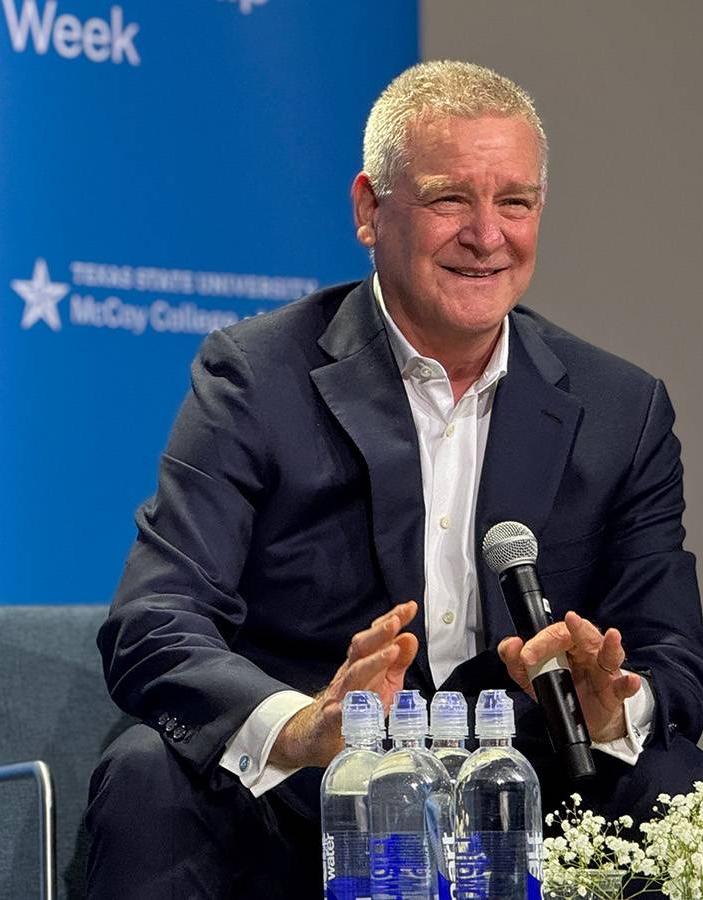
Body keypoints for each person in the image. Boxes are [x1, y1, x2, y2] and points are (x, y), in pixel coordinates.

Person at [86, 60, 703, 898]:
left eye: (514, 202)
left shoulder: (620, 408)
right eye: (451, 198)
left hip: (528, 793)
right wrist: (302, 728)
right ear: (370, 210)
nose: (487, 235)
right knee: (148, 773)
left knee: (670, 776)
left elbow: (673, 654)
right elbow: (154, 621)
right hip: (311, 793)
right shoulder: (256, 378)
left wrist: (613, 704)